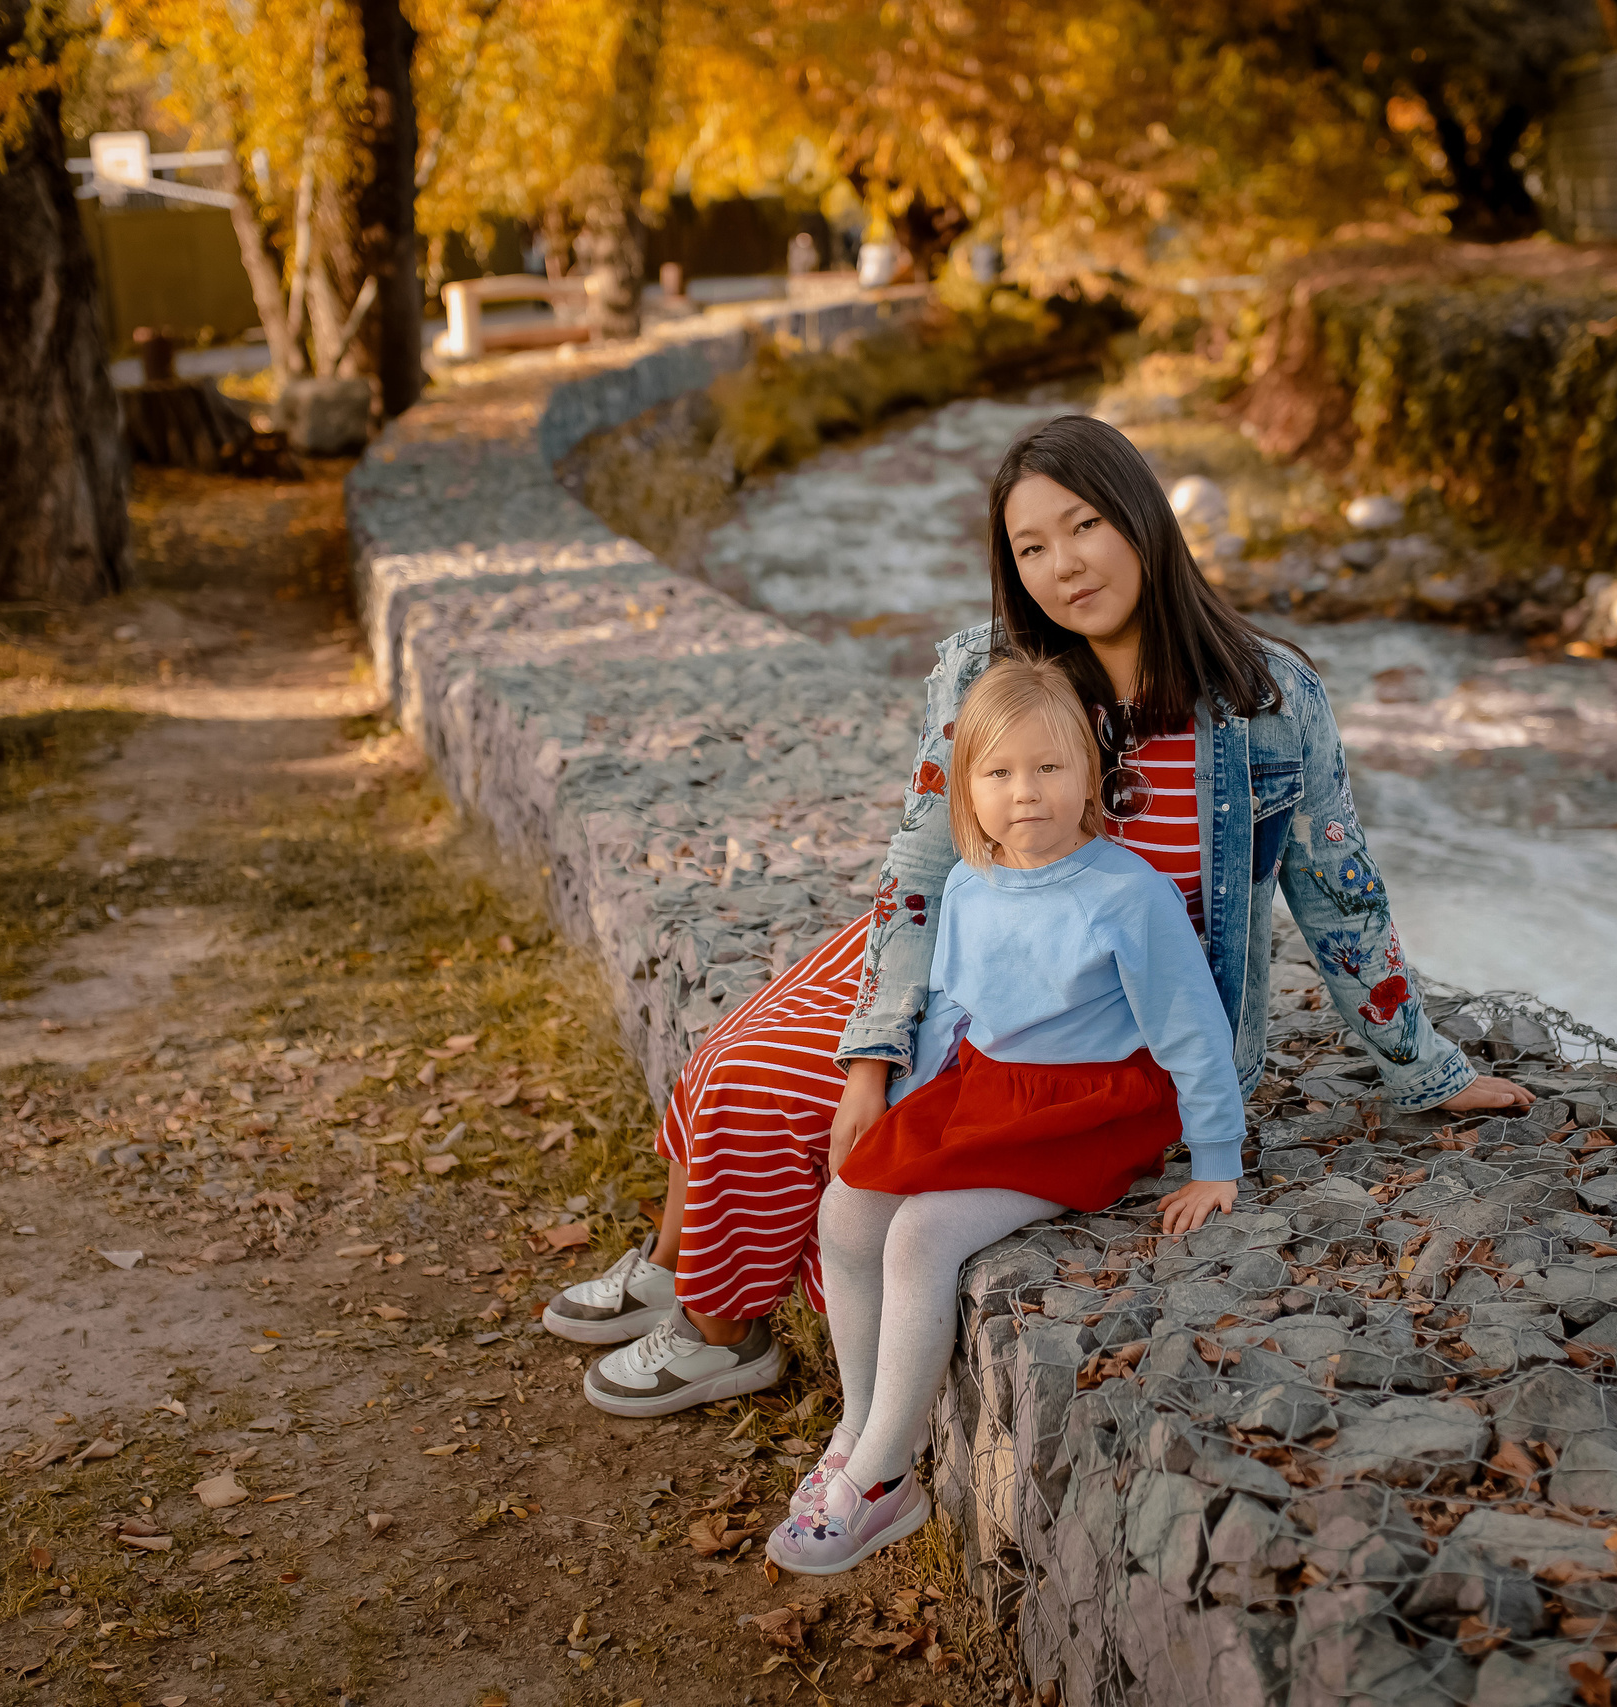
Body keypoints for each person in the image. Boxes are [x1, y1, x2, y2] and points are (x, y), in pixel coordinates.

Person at [551, 413, 1533, 1418]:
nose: (1064, 565)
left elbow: (1340, 894)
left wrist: (1426, 1067)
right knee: (734, 1054)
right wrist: (874, 1054)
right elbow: (922, 865)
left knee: (763, 1087)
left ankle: (718, 1330)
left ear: (1142, 523)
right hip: (961, 945)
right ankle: (680, 1265)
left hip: (1086, 1017)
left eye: (1085, 527)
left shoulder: (1269, 697)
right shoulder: (988, 669)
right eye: (1031, 547)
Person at [767, 657, 1244, 1573]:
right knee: (848, 1205)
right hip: (986, 1092)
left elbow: (1192, 1029)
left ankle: (881, 1479)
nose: (1025, 792)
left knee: (922, 1234)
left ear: (1090, 777)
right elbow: (951, 1014)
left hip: (1089, 1109)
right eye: (999, 773)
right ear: (968, 791)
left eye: (1050, 768)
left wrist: (1216, 1158)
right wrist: (910, 1120)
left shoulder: (1126, 892)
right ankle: (859, 1423)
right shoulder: (968, 886)